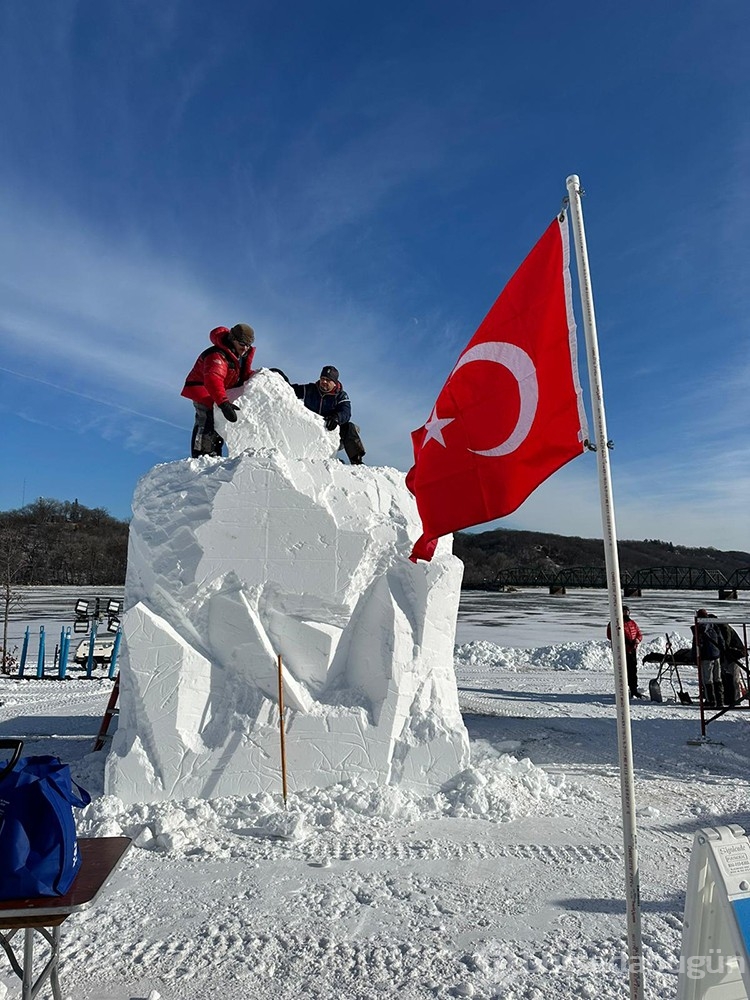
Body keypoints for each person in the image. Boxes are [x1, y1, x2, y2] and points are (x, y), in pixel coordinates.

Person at [181, 324, 256, 457]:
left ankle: (214, 453)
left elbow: (242, 375)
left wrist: (261, 375)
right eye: (242, 343)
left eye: (248, 345)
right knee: (206, 419)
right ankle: (202, 455)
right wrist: (224, 403)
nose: (245, 348)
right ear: (233, 339)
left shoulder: (238, 355)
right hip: (203, 389)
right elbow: (213, 379)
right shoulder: (217, 355)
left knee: (219, 422)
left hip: (219, 391)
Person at [291, 365, 366, 465]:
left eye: (328, 380)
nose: (324, 382)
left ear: (334, 383)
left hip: (331, 430)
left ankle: (357, 461)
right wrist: (279, 377)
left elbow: (346, 413)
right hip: (311, 431)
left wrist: (336, 418)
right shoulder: (310, 390)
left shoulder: (341, 396)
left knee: (350, 427)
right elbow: (289, 389)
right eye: (322, 379)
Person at [606, 606, 643, 698]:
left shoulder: (632, 623)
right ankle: (622, 690)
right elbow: (610, 636)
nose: (626, 613)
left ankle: (633, 689)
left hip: (632, 649)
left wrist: (637, 640)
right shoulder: (615, 623)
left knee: (633, 670)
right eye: (624, 611)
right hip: (621, 650)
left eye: (627, 611)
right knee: (622, 670)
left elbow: (639, 634)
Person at [690, 610, 725, 708]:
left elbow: (697, 645)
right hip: (716, 655)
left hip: (706, 657)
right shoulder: (714, 626)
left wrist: (694, 658)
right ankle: (720, 701)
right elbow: (721, 640)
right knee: (717, 678)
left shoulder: (699, 628)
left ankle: (711, 701)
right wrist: (721, 653)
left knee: (707, 680)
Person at [716, 620, 746, 707]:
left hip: (733, 654)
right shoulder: (718, 628)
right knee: (727, 677)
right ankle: (729, 698)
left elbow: (726, 643)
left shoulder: (724, 628)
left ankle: (735, 699)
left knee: (733, 678)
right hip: (728, 655)